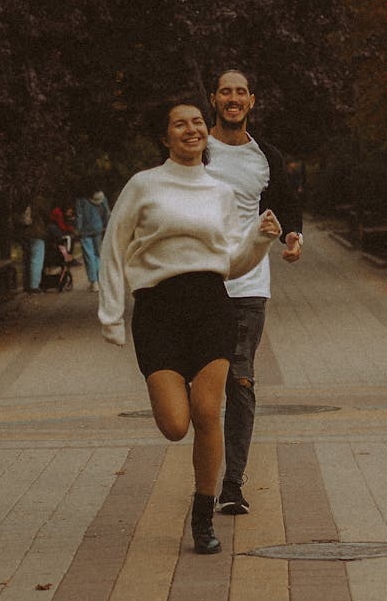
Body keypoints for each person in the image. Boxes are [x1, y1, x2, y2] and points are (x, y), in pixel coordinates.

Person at [98, 97, 281, 554]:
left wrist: (259, 240)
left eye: (197, 121)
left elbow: (231, 262)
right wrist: (111, 316)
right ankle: (200, 500)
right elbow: (113, 249)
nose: (192, 129)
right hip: (158, 310)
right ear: (165, 136)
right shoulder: (144, 186)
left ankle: (204, 513)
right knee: (175, 425)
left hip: (210, 307)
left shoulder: (219, 192)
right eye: (180, 124)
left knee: (207, 412)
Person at [205, 69, 303, 515]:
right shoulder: (197, 151)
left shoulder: (267, 156)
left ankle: (231, 484)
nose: (233, 98)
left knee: (240, 380)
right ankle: (204, 475)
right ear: (214, 99)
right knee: (201, 385)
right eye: (226, 91)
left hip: (248, 286)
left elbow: (285, 201)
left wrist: (292, 235)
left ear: (252, 101)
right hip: (199, 281)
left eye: (241, 92)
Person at [75, 184, 111, 292]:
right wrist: (106, 225)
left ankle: (94, 282)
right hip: (98, 228)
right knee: (97, 254)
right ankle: (100, 280)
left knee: (88, 256)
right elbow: (106, 212)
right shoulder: (102, 197)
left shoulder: (81, 200)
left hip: (85, 230)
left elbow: (79, 215)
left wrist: (78, 229)